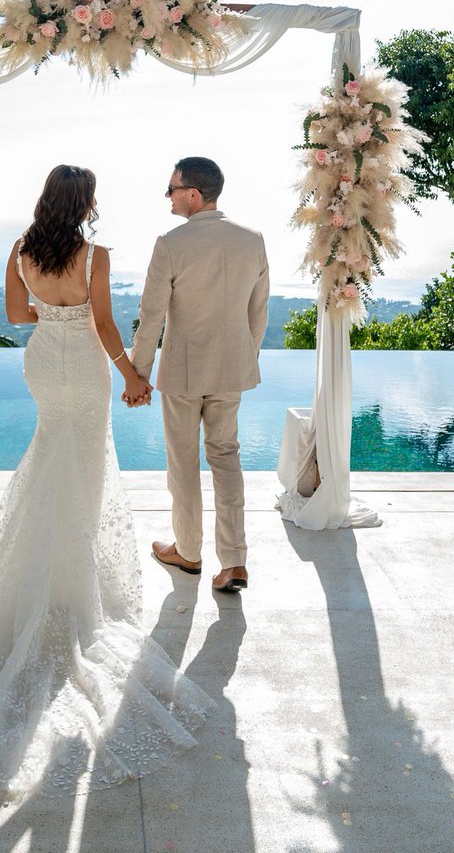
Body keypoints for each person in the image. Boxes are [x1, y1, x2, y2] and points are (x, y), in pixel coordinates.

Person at [0, 165, 212, 799]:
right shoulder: (96, 254)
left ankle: (42, 574)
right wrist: (133, 375)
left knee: (49, 454)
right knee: (80, 466)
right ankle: (73, 581)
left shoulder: (21, 250)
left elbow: (19, 314)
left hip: (43, 365)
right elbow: (105, 323)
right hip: (84, 364)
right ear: (84, 203)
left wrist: (54, 312)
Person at [128, 157, 269, 594]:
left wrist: (139, 375)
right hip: (231, 371)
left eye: (170, 188)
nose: (166, 196)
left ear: (192, 194)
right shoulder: (253, 240)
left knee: (183, 463)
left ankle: (188, 553)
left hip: (184, 374)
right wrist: (244, 357)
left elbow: (150, 317)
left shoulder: (170, 243)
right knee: (226, 458)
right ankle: (235, 562)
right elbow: (257, 311)